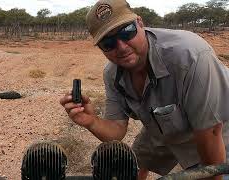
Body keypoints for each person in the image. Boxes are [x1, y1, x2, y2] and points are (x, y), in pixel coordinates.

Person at [59, 0, 229, 179]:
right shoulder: (113, 73)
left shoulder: (189, 56)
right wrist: (91, 121)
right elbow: (116, 131)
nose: (122, 47)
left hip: (220, 132)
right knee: (130, 167)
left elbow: (211, 132)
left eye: (126, 32)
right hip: (161, 126)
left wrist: (211, 174)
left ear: (140, 22)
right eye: (108, 43)